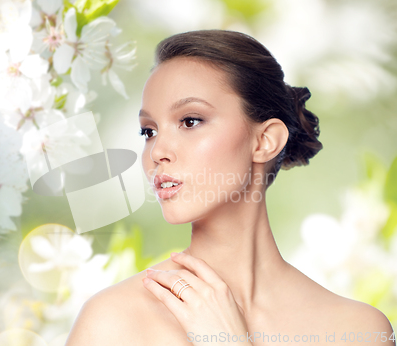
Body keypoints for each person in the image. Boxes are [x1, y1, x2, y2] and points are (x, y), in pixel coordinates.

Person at [64, 30, 395, 346]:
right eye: (148, 131)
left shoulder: (360, 331)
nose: (157, 151)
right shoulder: (112, 322)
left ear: (265, 140)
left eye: (190, 121)